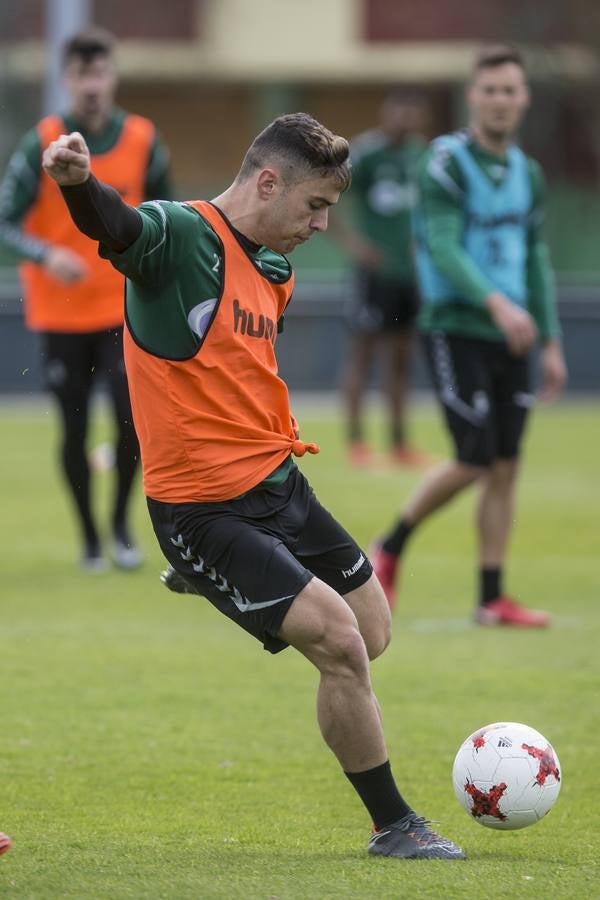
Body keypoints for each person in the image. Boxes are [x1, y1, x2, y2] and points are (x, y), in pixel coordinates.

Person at [42, 113, 465, 860]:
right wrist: (78, 183)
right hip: (201, 509)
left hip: (278, 483)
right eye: (314, 205)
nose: (323, 223)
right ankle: (394, 825)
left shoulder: (274, 267)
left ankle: (216, 586)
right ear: (268, 181)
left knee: (372, 631)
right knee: (340, 644)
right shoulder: (180, 237)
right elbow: (116, 224)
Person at [373, 45, 567, 624]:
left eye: (511, 90)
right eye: (491, 90)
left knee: (506, 464)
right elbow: (444, 245)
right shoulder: (445, 162)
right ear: (472, 96)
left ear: (524, 98)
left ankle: (490, 596)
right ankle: (389, 546)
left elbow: (535, 257)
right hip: (457, 326)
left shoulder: (528, 174)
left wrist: (551, 339)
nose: (501, 100)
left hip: (515, 335)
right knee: (475, 458)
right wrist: (498, 305)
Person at [0, 26, 172, 570]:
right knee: (73, 427)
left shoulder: (144, 139)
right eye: (81, 74)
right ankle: (90, 539)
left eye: (100, 73)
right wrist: (45, 254)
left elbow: (169, 222)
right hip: (60, 314)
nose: (92, 85)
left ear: (113, 77)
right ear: (66, 80)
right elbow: (5, 222)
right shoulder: (44, 141)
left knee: (129, 423)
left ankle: (121, 526)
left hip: (125, 310)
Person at [332, 90, 430, 467]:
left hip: (410, 276)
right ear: (386, 111)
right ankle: (357, 443)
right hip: (374, 274)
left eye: (412, 111)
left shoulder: (421, 155)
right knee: (362, 355)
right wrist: (355, 245)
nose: (405, 119)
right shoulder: (366, 153)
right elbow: (325, 192)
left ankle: (399, 443)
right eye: (399, 110)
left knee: (402, 360)